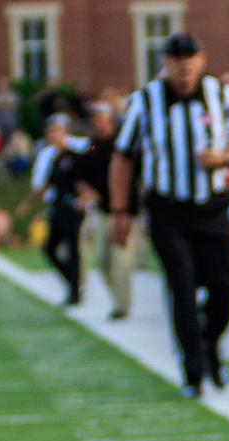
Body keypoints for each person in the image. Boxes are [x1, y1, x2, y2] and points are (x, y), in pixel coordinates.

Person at [109, 33, 229, 398]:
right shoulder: (145, 100)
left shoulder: (222, 94)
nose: (184, 65)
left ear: (202, 59)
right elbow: (123, 155)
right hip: (168, 210)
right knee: (183, 287)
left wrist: (224, 158)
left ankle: (209, 345)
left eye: (190, 57)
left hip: (213, 206)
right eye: (176, 58)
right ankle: (192, 370)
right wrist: (120, 210)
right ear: (165, 62)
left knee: (224, 287)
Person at [15, 113, 92, 306]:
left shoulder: (77, 152)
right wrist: (28, 204)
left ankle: (75, 291)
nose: (53, 135)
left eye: (57, 130)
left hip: (73, 208)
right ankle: (74, 283)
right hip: (57, 207)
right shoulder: (54, 157)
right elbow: (46, 184)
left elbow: (88, 177)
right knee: (50, 248)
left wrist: (86, 198)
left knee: (74, 250)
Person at [78, 100, 136, 320]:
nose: (98, 123)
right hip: (103, 211)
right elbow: (80, 175)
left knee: (121, 261)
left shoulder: (123, 145)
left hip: (123, 212)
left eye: (101, 118)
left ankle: (123, 305)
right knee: (102, 262)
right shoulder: (92, 147)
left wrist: (128, 210)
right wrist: (86, 190)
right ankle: (118, 299)